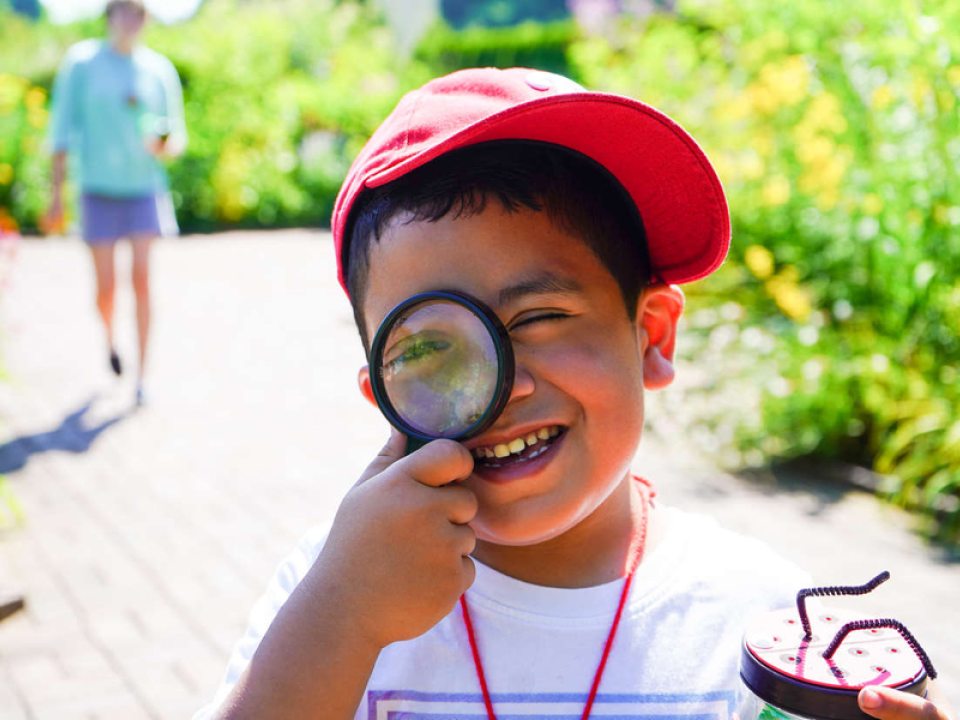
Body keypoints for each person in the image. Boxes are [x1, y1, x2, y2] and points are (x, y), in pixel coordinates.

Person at [195, 68, 953, 720]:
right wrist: (343, 617)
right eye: (430, 349)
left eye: (541, 317)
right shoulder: (338, 597)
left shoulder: (768, 623)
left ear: (651, 335)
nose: (501, 386)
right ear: (384, 396)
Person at [45, 0, 186, 405]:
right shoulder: (82, 64)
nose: (131, 19)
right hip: (97, 189)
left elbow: (174, 137)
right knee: (105, 289)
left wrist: (161, 145)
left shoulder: (159, 69)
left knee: (141, 280)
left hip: (143, 188)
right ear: (109, 15)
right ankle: (110, 340)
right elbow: (60, 132)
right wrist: (56, 195)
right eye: (124, 10)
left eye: (139, 12)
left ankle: (142, 377)